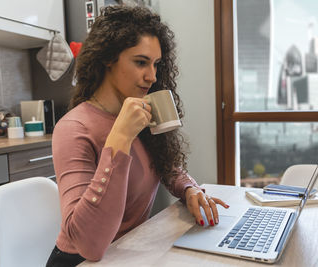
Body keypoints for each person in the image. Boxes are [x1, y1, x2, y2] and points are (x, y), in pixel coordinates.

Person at [46, 5, 228, 267]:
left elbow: (167, 166)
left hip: (126, 253)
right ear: (108, 58)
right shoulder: (74, 128)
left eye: (156, 64)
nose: (152, 76)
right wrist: (120, 137)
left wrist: (189, 189)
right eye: (141, 62)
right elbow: (89, 246)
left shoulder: (140, 111)